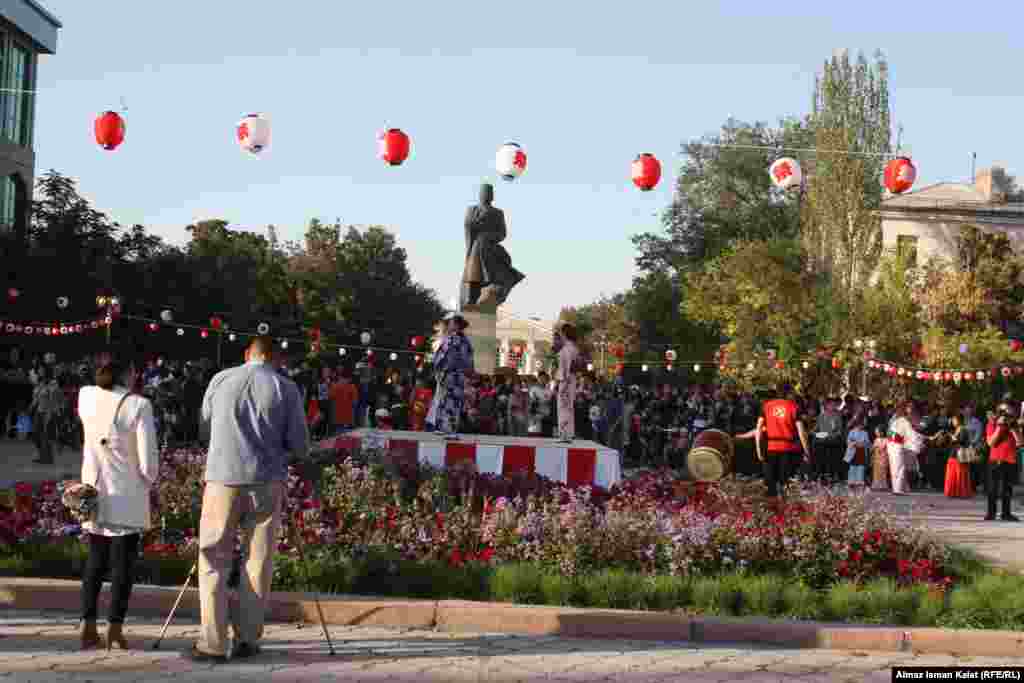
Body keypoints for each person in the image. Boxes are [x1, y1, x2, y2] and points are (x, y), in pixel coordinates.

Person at [187, 337, 309, 663]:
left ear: (247, 355)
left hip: (222, 478)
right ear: (276, 358)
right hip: (266, 481)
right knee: (258, 560)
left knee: (213, 557)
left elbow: (204, 429)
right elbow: (299, 445)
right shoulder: (286, 388)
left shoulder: (221, 379)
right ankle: (248, 638)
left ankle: (212, 642)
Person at [77, 358, 159, 650]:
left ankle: (88, 627)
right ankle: (115, 628)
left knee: (95, 562)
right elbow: (149, 464)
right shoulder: (139, 405)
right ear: (130, 373)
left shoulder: (85, 396)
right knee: (123, 565)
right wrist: (150, 483)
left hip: (93, 492)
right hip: (126, 495)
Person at [755, 385, 810, 501]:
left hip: (769, 448)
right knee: (784, 484)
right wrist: (806, 451)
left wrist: (758, 450)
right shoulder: (794, 407)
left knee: (770, 485)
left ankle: (770, 513)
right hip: (787, 449)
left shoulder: (766, 406)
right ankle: (784, 512)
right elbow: (801, 432)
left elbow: (758, 429)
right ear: (789, 394)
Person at [426, 313, 474, 437]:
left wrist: (439, 370)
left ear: (457, 326)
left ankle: (448, 429)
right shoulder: (464, 341)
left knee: (450, 402)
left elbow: (443, 357)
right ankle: (445, 428)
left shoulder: (454, 339)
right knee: (449, 401)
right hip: (453, 375)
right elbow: (468, 362)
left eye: (452, 323)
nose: (450, 325)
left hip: (452, 374)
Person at [984, 403, 1021, 522]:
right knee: (992, 489)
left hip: (1010, 460)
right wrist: (1000, 426)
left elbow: (1020, 442)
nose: (1008, 415)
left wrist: (1013, 429)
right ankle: (991, 513)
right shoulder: (993, 423)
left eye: (1010, 413)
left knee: (1007, 489)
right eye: (1005, 412)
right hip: (996, 460)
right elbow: (991, 443)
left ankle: (1006, 513)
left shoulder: (1014, 425)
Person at [29, 368, 65, 464]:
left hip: (48, 412)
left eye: (42, 371)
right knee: (36, 435)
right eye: (40, 371)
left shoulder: (53, 384)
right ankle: (42, 455)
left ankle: (47, 458)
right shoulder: (39, 384)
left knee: (46, 436)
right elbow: (36, 398)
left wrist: (53, 412)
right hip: (39, 412)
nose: (40, 373)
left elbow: (56, 399)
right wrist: (31, 407)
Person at [554, 324, 581, 443]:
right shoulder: (574, 348)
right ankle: (569, 434)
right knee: (569, 407)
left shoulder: (566, 349)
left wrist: (563, 384)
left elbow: (566, 368)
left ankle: (563, 434)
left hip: (566, 380)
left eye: (561, 333)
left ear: (564, 333)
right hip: (572, 380)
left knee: (563, 407)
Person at [944, 414, 975, 499]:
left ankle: (961, 492)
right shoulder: (956, 429)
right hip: (954, 453)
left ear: (959, 420)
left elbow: (962, 442)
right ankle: (953, 492)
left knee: (960, 474)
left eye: (954, 420)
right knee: (953, 473)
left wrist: (953, 437)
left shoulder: (964, 429)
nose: (953, 422)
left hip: (960, 455)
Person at [845, 419, 870, 490]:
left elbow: (867, 443)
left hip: (861, 452)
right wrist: (854, 443)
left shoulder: (865, 433)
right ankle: (851, 481)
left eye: (862, 425)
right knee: (852, 467)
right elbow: (848, 442)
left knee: (861, 467)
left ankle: (859, 481)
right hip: (853, 452)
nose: (860, 426)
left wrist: (863, 444)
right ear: (855, 425)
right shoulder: (851, 432)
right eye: (859, 425)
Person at [871, 426, 890, 491]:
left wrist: (881, 448)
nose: (876, 433)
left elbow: (887, 448)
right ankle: (876, 485)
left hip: (883, 457)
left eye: (877, 432)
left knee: (883, 471)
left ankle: (883, 485)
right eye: (876, 432)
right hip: (877, 458)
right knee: (876, 472)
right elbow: (873, 448)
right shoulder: (876, 440)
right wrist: (874, 448)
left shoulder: (886, 440)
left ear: (882, 432)